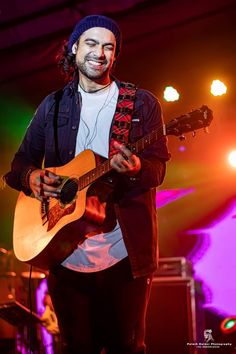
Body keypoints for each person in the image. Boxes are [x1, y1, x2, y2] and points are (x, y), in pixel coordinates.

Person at [4, 15, 170, 354]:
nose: (100, 52)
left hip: (124, 253)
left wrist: (137, 166)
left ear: (115, 55)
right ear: (75, 48)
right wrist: (33, 178)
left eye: (109, 47)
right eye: (92, 43)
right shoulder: (52, 106)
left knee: (128, 347)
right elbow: (18, 167)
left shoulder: (141, 104)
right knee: (75, 346)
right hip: (64, 252)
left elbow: (158, 170)